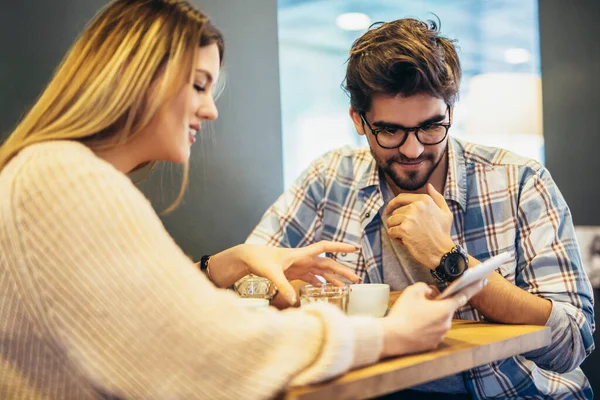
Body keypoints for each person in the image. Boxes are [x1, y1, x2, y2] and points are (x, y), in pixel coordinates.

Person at [0, 1, 486, 399]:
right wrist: (391, 335)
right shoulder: (64, 177)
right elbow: (207, 349)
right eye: (198, 85)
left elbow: (134, 316)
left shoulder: (51, 171)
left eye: (429, 126)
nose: (210, 110)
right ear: (136, 78)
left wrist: (220, 266)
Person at [246, 18, 595, 398]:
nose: (413, 150)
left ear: (451, 112)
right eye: (390, 131)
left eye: (431, 127)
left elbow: (571, 341)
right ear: (358, 120)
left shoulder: (520, 181)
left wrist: (447, 258)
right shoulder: (329, 179)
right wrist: (294, 287)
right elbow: (248, 286)